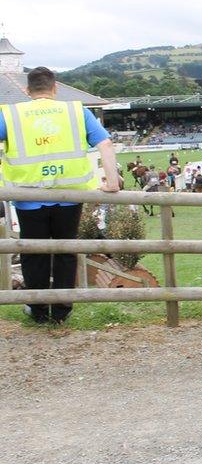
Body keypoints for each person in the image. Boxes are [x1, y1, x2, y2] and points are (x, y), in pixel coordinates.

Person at [0, 67, 120, 323]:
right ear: (55, 88)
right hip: (69, 196)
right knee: (66, 250)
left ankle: (39, 310)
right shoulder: (77, 111)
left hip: (29, 197)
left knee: (34, 253)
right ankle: (62, 311)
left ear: (27, 90)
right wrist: (111, 183)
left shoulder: (10, 115)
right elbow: (105, 144)